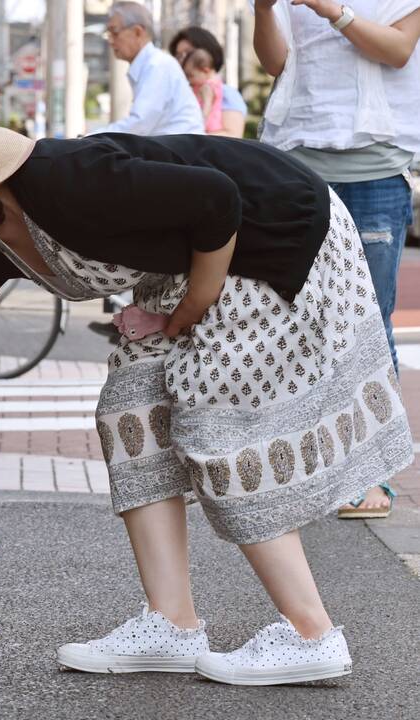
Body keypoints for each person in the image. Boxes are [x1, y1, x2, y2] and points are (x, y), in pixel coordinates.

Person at [0, 91, 413, 685]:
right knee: (131, 405)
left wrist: (184, 313)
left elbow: (217, 202)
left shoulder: (62, 181)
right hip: (210, 261)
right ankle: (172, 625)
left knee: (213, 418)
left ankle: (311, 635)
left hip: (282, 240)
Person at [253, 0, 420, 519]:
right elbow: (275, 63)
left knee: (370, 320)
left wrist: (330, 9)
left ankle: (372, 471)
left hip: (374, 167)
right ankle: (304, 465)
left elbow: (397, 50)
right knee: (296, 315)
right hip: (297, 161)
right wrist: (263, 9)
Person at [94, 2, 204, 135]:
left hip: (179, 151)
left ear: (137, 32)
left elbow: (139, 124)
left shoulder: (158, 65)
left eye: (115, 32)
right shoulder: (151, 64)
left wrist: (91, 137)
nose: (110, 40)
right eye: (108, 34)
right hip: (170, 147)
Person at [169, 26, 248, 138]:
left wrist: (192, 138)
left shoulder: (226, 94)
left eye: (187, 53)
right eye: (178, 55)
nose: (182, 60)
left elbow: (233, 135)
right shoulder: (179, 92)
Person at [183, 49, 225, 134]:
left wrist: (199, 124)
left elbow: (207, 106)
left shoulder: (207, 87)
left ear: (205, 71)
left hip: (207, 127)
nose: (189, 80)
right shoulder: (213, 83)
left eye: (191, 75)